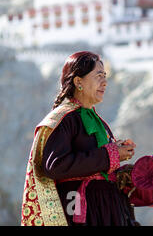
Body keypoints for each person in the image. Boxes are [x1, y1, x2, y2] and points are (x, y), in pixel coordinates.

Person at [21, 51, 138, 226]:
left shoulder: (98, 121)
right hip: (79, 211)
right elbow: (55, 165)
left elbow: (98, 164)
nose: (105, 82)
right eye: (98, 76)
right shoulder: (63, 119)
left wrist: (120, 171)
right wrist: (110, 155)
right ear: (78, 82)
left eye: (105, 76)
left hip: (108, 211)